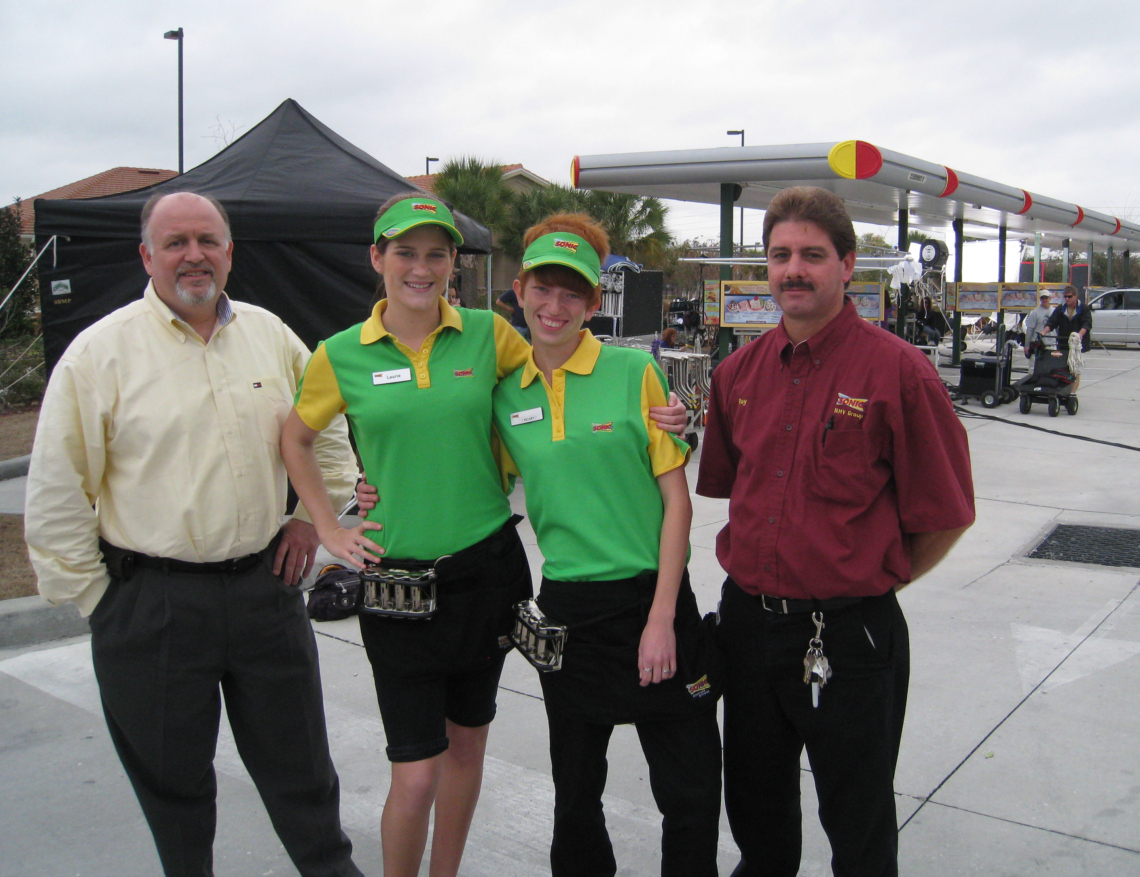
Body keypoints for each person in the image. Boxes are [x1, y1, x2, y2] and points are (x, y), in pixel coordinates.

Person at [281, 194, 689, 877]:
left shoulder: (487, 335)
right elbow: (295, 435)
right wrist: (331, 521)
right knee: (414, 773)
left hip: (487, 574)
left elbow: (555, 382)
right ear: (376, 258)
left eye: (436, 253)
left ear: (452, 264)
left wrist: (679, 414)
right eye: (405, 252)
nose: (421, 267)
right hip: (398, 587)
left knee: (468, 748)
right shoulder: (339, 355)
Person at [24, 191, 364, 877]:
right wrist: (104, 603)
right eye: (175, 242)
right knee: (173, 786)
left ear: (230, 252)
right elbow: (57, 493)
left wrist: (307, 519)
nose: (193, 255)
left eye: (208, 240)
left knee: (302, 771)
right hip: (151, 607)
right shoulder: (99, 355)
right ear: (146, 256)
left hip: (266, 592)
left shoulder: (272, 335)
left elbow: (327, 434)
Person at [695, 186, 975, 877]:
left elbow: (944, 513)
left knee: (858, 823)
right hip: (750, 627)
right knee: (757, 814)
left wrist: (871, 576)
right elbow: (734, 487)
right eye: (781, 254)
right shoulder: (736, 375)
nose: (795, 268)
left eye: (813, 255)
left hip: (850, 637)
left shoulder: (899, 372)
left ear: (848, 265)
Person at [491, 214, 722, 877]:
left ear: (594, 303)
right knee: (575, 792)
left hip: (655, 601)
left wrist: (659, 618)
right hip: (569, 611)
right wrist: (365, 494)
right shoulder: (506, 396)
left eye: (572, 294)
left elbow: (676, 499)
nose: (555, 306)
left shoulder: (632, 373)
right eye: (544, 288)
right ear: (520, 289)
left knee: (691, 788)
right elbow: (478, 477)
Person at [1022, 291, 1053, 355]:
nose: (1044, 300)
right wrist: (1027, 346)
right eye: (1042, 298)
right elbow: (1029, 330)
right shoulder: (1035, 312)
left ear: (1050, 298)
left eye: (1046, 298)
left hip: (1052, 344)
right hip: (1037, 343)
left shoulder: (1055, 311)